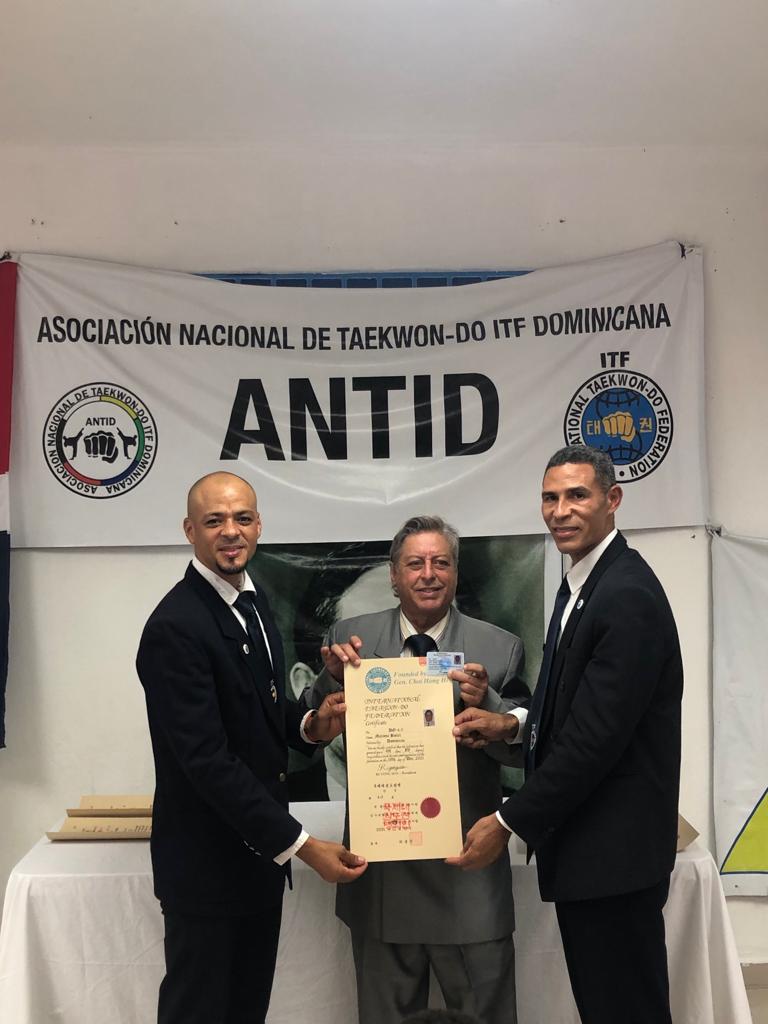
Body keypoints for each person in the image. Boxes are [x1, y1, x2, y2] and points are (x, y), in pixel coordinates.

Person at [450, 446, 683, 1024]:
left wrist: (508, 821)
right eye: (550, 498)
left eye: (577, 495)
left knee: (625, 1009)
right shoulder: (584, 582)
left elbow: (593, 741)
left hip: (614, 858)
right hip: (592, 853)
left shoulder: (624, 594)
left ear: (613, 499)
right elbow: (573, 707)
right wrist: (511, 722)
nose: (560, 511)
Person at [136, 471, 367, 1024]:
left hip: (257, 866)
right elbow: (208, 762)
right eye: (214, 520)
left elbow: (261, 710)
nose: (231, 531)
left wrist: (312, 724)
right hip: (207, 870)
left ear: (259, 525)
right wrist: (302, 845)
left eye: (242, 518)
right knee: (200, 1012)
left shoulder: (252, 604)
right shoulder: (175, 627)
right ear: (190, 530)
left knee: (246, 1010)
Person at [305, 515, 529, 1024]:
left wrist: (492, 708)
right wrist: (329, 684)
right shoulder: (352, 639)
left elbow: (524, 748)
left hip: (467, 871)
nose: (428, 574)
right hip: (382, 873)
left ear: (455, 572)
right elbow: (313, 724)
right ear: (394, 574)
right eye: (415, 563)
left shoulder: (498, 647)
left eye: (441, 562)